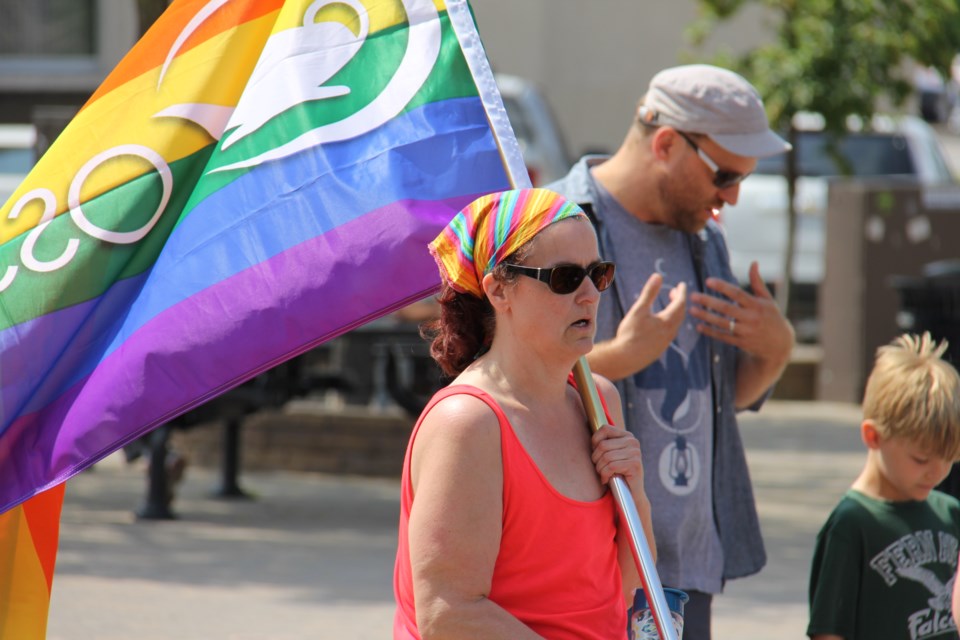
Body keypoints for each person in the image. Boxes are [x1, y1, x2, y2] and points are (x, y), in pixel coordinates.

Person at [547, 63, 796, 638]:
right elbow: (509, 388)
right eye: (725, 175)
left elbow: (721, 397)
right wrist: (617, 358)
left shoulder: (705, 240)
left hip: (689, 571)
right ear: (665, 143)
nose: (732, 197)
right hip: (594, 563)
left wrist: (776, 351)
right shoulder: (557, 223)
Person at [392, 187, 656, 639]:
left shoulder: (598, 402)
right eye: (565, 278)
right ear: (499, 289)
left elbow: (633, 586)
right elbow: (450, 614)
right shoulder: (469, 423)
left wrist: (636, 492)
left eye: (599, 273)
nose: (590, 294)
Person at [808, 332, 960, 640]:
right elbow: (828, 631)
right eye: (920, 458)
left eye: (949, 459)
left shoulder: (951, 513)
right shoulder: (851, 524)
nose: (937, 472)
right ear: (873, 436)